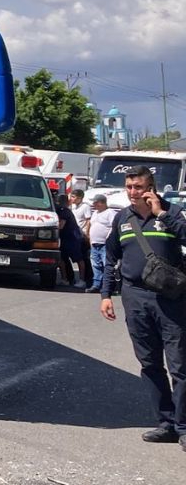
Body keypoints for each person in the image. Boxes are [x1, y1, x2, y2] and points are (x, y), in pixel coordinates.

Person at [99, 165, 186, 449]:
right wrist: (106, 295)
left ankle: (184, 426)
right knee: (149, 364)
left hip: (171, 299)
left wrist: (160, 213)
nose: (132, 193)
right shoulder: (123, 218)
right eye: (129, 187)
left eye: (138, 187)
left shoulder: (171, 214)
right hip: (135, 297)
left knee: (180, 365)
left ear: (151, 188)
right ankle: (166, 423)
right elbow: (110, 256)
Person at [84, 194, 117, 294]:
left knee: (107, 265)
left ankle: (110, 286)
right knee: (96, 265)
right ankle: (96, 285)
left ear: (102, 202)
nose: (94, 205)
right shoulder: (95, 213)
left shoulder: (110, 213)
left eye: (95, 202)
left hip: (105, 244)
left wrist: (109, 239)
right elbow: (91, 225)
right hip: (94, 244)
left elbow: (113, 227)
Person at [55, 193, 86, 288]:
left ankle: (82, 280)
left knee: (78, 259)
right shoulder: (65, 210)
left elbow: (61, 226)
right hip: (67, 238)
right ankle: (66, 279)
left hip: (72, 239)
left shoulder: (64, 211)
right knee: (61, 259)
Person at [69, 189, 94, 286]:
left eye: (74, 197)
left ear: (80, 198)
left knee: (81, 258)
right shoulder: (73, 207)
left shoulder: (85, 207)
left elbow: (88, 220)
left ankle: (82, 279)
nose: (72, 199)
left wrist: (87, 233)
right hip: (73, 234)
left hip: (81, 235)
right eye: (72, 196)